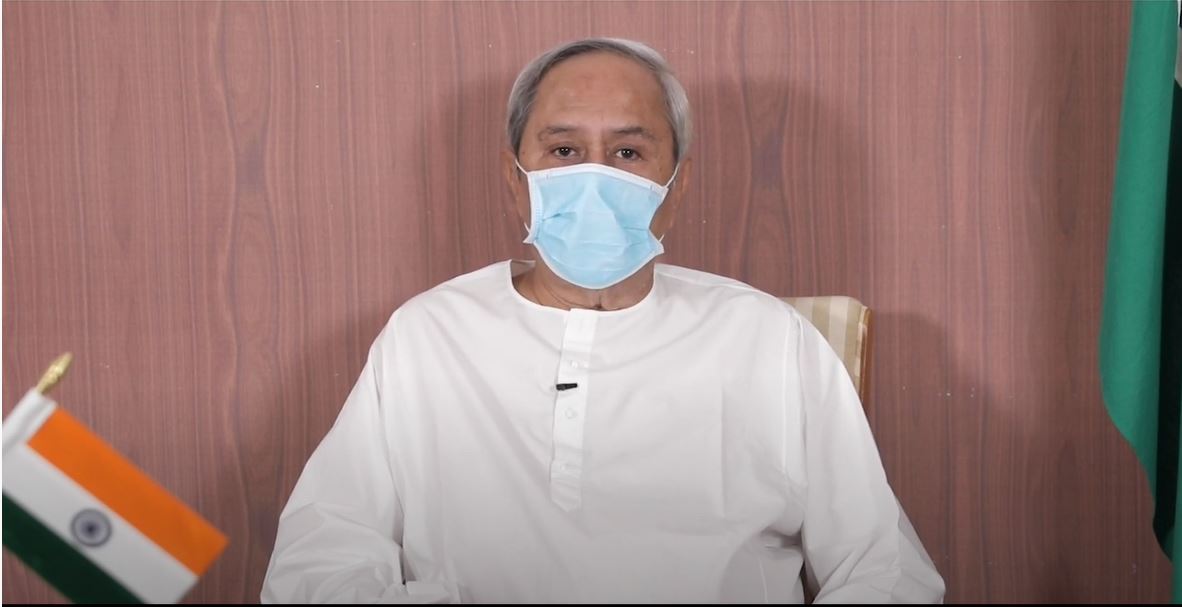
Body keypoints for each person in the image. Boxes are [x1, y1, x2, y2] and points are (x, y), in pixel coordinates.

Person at [261, 37, 945, 604]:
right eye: (563, 151)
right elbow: (320, 558)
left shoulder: (771, 341)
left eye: (627, 153)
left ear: (676, 186)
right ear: (515, 179)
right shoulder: (427, 335)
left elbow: (885, 572)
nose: (594, 179)